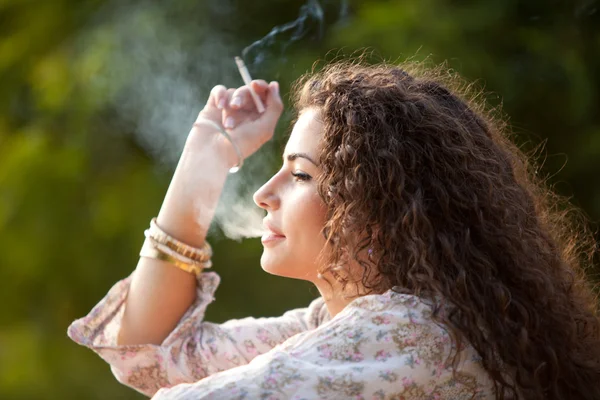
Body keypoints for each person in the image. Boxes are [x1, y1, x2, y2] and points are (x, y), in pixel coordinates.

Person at [68, 60, 600, 399]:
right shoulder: (343, 324)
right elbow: (152, 357)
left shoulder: (409, 333)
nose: (263, 193)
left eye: (300, 174)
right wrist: (205, 161)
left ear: (384, 206)